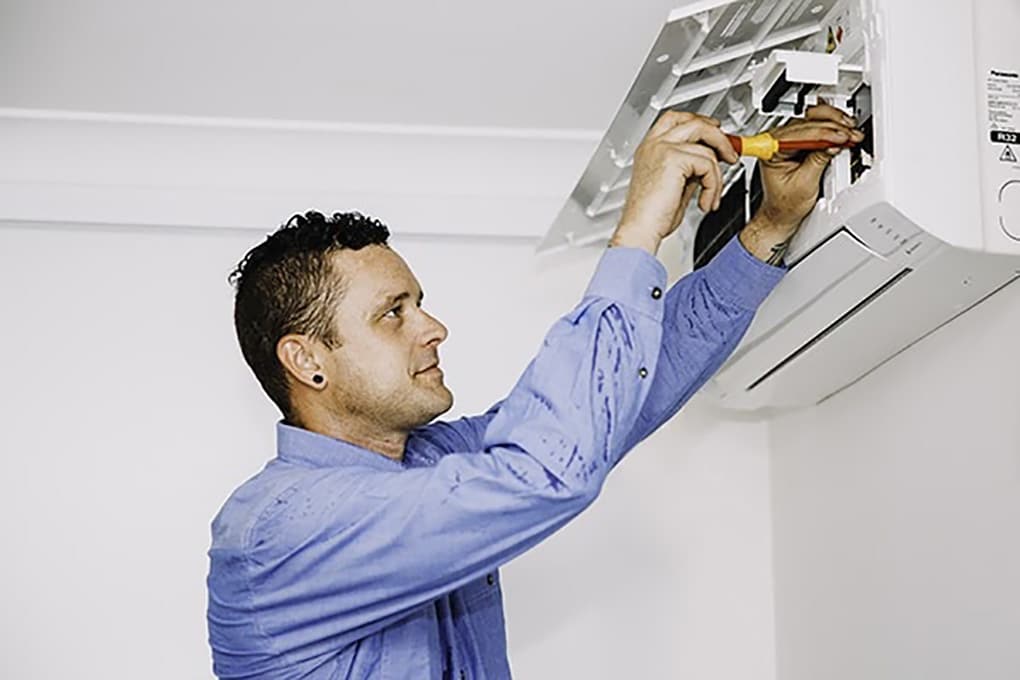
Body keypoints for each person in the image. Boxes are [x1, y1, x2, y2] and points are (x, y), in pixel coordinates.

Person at [207, 104, 863, 679]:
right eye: (393, 313)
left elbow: (617, 398)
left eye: (420, 305)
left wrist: (768, 228)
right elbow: (549, 472)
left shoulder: (432, 463)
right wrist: (637, 232)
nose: (434, 328)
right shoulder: (281, 531)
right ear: (307, 361)